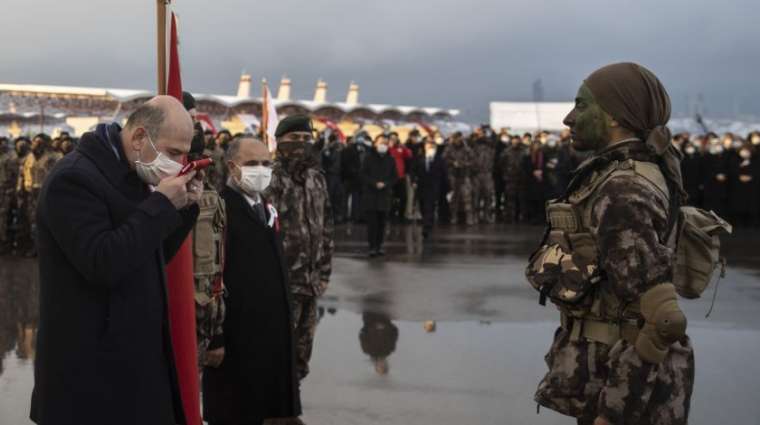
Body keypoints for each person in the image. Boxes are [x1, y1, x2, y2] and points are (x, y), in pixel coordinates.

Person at [527, 63, 693, 425]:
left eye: (582, 105)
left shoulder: (623, 188)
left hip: (627, 394)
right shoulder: (624, 171)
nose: (570, 118)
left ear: (615, 117)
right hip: (615, 380)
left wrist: (614, 413)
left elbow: (656, 318)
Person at [31, 96, 203, 425]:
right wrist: (161, 207)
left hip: (133, 371)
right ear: (139, 138)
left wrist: (183, 210)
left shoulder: (133, 174)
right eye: (174, 153)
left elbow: (148, 257)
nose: (181, 164)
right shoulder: (74, 179)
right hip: (89, 382)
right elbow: (103, 262)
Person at [203, 139, 301, 425]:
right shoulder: (220, 209)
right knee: (237, 410)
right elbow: (210, 275)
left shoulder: (266, 209)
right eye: (252, 164)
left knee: (268, 408)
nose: (261, 170)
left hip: (269, 333)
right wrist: (214, 335)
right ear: (233, 167)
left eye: (266, 164)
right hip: (235, 335)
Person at [265, 114, 334, 381]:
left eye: (306, 139)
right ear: (279, 141)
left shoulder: (316, 178)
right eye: (294, 139)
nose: (301, 144)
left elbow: (327, 227)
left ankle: (292, 405)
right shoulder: (270, 178)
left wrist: (325, 272)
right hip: (282, 283)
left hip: (311, 282)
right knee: (277, 353)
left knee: (302, 356)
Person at [182, 91, 227, 371]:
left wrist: (217, 331)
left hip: (203, 319)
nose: (194, 126)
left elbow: (216, 265)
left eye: (195, 119)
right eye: (188, 119)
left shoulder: (206, 185)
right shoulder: (145, 187)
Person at [361, 134, 398, 256]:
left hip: (385, 195)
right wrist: (374, 183)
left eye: (386, 143)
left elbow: (394, 177)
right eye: (381, 142)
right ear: (375, 143)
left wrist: (386, 184)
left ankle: (380, 245)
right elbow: (363, 175)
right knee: (372, 223)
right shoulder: (368, 158)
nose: (383, 145)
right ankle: (372, 246)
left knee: (382, 223)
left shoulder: (390, 159)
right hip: (371, 195)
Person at [410, 137, 448, 239]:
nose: (430, 147)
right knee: (423, 206)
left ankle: (426, 227)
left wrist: (446, 188)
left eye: (432, 146)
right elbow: (413, 171)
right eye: (428, 145)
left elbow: (444, 174)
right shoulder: (419, 158)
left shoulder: (440, 159)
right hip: (422, 186)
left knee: (429, 206)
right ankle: (427, 222)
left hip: (434, 186)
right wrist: (413, 181)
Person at [443, 132, 475, 225]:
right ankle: (453, 217)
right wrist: (453, 163)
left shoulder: (467, 149)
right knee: (454, 198)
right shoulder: (448, 149)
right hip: (453, 175)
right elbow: (444, 160)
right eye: (456, 138)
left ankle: (469, 217)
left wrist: (464, 164)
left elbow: (473, 161)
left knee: (467, 197)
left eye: (460, 138)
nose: (458, 140)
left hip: (464, 175)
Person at [387, 132, 412, 223]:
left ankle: (401, 215)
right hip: (389, 177)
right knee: (390, 197)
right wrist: (388, 147)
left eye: (395, 138)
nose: (394, 139)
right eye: (392, 138)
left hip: (401, 176)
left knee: (403, 197)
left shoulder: (402, 148)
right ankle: (390, 215)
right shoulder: (386, 148)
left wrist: (407, 172)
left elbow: (408, 158)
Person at [0, 137, 18, 254]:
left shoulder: (10, 158)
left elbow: (14, 176)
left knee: (4, 216)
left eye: (4, 145)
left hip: (5, 190)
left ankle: (5, 242)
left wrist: (11, 190)